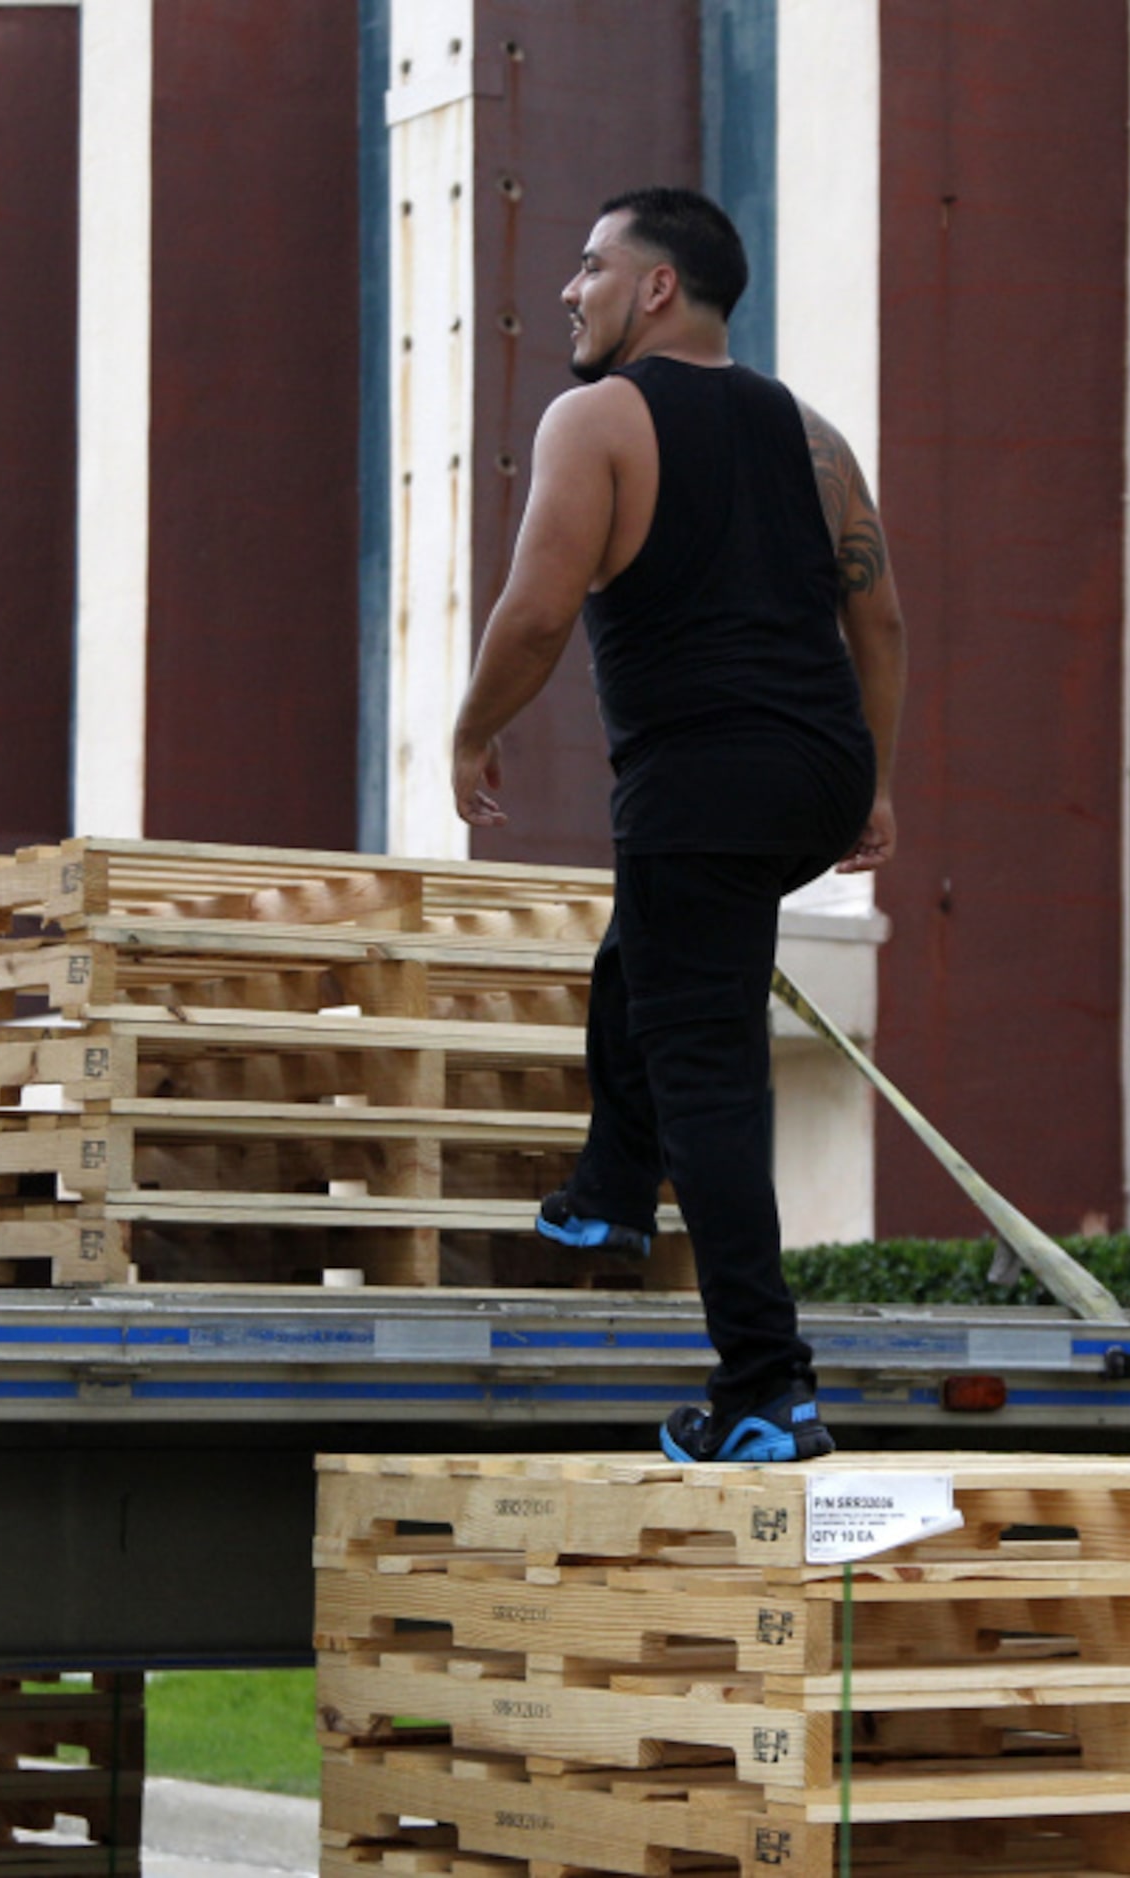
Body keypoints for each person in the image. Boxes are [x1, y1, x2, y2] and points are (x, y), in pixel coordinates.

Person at [451, 186, 906, 1465]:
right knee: (651, 948)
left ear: (654, 288)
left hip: (702, 784)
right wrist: (870, 783)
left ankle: (766, 1384)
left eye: (589, 266)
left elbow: (535, 615)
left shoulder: (593, 418)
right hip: (808, 777)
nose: (567, 290)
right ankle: (606, 1191)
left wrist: (467, 731)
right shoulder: (813, 436)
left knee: (706, 1068)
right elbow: (877, 621)